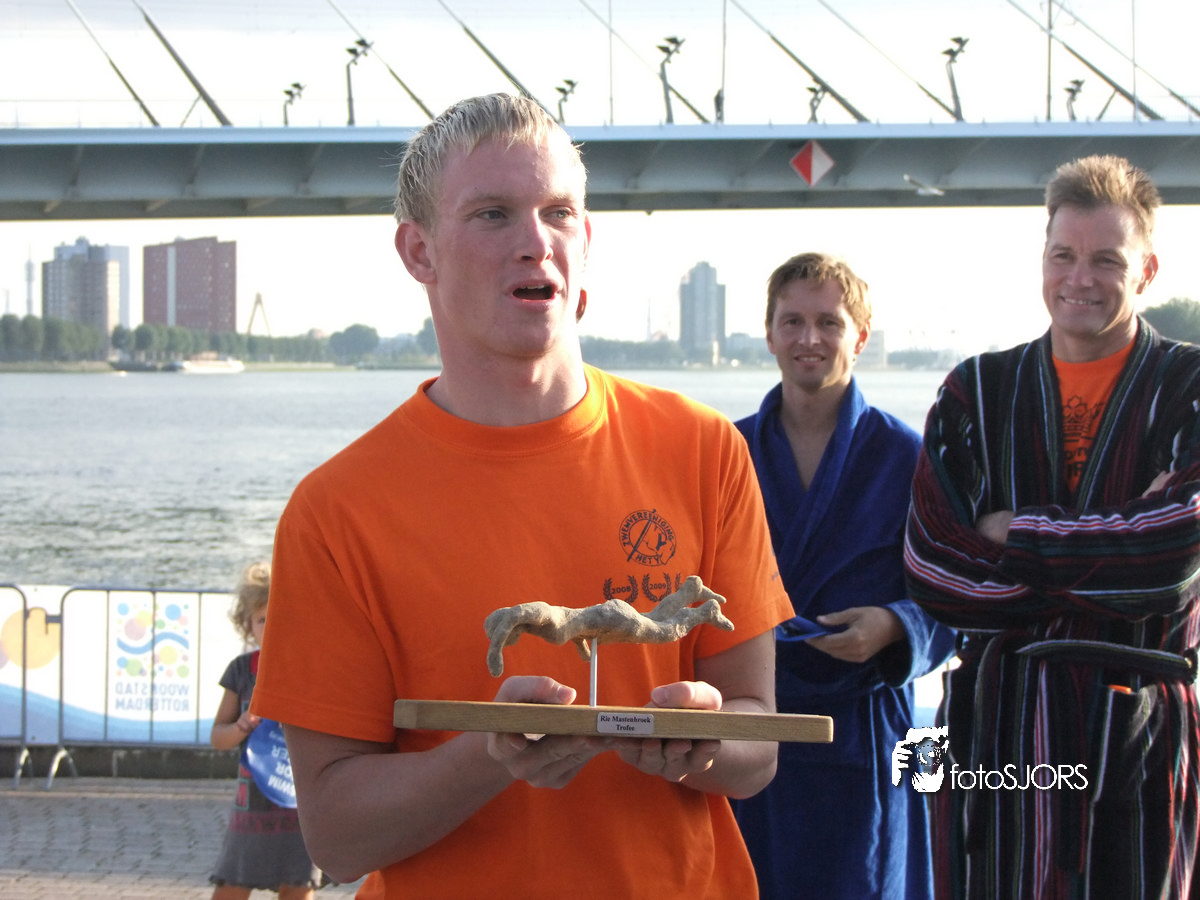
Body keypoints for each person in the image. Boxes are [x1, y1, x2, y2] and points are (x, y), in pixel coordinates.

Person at [249, 93, 793, 900]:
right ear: (419, 251)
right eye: (493, 214)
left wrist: (700, 741)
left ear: (586, 239)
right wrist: (489, 753)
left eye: (558, 212)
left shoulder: (705, 449)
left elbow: (758, 746)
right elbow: (336, 833)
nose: (535, 241)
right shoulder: (336, 512)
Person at [904, 154, 1200, 899]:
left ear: (1147, 270)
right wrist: (1123, 534)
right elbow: (934, 569)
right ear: (1042, 258)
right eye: (1064, 255)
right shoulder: (977, 391)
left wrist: (1016, 532)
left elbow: (1173, 559)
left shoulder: (1188, 387)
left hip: (1136, 738)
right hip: (994, 740)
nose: (1080, 279)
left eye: (1107, 260)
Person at [730, 252, 955, 900]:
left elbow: (954, 594)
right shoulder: (727, 452)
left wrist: (893, 626)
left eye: (829, 322)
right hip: (753, 724)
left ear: (860, 336)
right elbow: (685, 587)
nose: (810, 339)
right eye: (793, 322)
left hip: (862, 735)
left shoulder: (907, 456)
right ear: (769, 334)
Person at [209, 561, 327, 900]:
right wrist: (240, 726)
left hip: (299, 804)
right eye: (262, 619)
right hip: (252, 810)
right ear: (247, 624)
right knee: (232, 883)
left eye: (279, 617)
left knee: (299, 884)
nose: (270, 626)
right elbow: (218, 738)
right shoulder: (241, 671)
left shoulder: (311, 670)